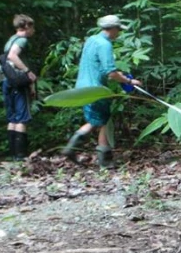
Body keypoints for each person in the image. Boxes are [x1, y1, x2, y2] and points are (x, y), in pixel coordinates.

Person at [61, 14, 142, 167]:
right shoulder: (105, 45)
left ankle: (76, 149)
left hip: (83, 86)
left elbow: (99, 66)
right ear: (112, 29)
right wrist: (130, 81)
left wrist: (118, 76)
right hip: (95, 88)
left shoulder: (91, 40)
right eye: (118, 29)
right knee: (102, 121)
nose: (118, 33)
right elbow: (110, 72)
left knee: (94, 119)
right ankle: (102, 159)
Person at [0, 14, 37, 161]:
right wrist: (28, 71)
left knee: (12, 119)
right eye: (32, 27)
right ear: (26, 27)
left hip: (7, 81)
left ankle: (13, 155)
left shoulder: (10, 40)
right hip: (18, 82)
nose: (33, 30)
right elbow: (13, 56)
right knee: (22, 119)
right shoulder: (22, 40)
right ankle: (20, 156)